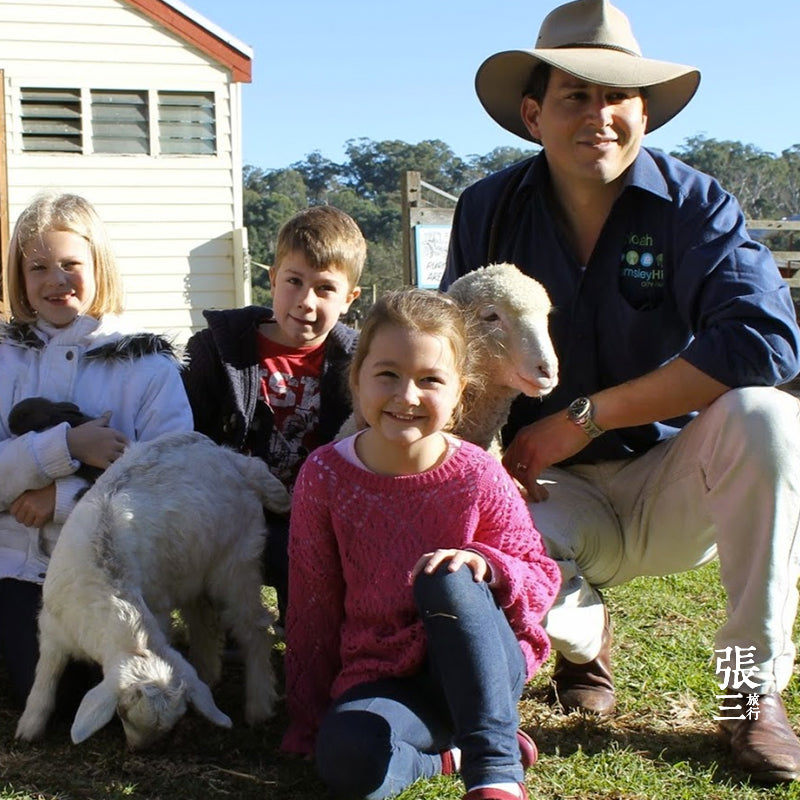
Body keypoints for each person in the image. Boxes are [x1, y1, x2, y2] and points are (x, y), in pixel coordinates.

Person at [442, 0, 800, 784]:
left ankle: (749, 697)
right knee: (465, 515)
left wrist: (584, 417)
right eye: (576, 95)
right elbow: (450, 351)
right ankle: (581, 636)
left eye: (618, 97)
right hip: (543, 486)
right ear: (534, 114)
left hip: (671, 481)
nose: (599, 116)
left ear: (645, 111)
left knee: (768, 418)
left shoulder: (697, 204)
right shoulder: (487, 210)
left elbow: (764, 341)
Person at [281, 288, 561, 800]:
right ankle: (446, 757)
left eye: (430, 380)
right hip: (386, 680)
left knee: (447, 576)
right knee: (346, 758)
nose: (406, 397)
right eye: (387, 374)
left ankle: (494, 769)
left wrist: (484, 564)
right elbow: (312, 603)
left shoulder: (477, 473)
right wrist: (309, 715)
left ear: (459, 394)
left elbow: (540, 573)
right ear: (357, 378)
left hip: (482, 665)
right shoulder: (325, 475)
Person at [0, 192, 193, 709]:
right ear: (19, 277)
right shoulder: (3, 360)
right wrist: (63, 446)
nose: (55, 280)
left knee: (70, 695)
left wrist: (60, 500)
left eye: (70, 264)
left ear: (99, 265)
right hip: (13, 565)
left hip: (107, 573)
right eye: (37, 266)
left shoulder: (149, 367)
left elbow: (168, 488)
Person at [181, 205, 365, 626]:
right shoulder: (219, 350)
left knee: (301, 562)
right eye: (294, 282)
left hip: (319, 512)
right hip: (228, 504)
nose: (305, 301)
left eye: (325, 289)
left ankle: (306, 634)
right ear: (272, 278)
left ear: (350, 298)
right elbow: (190, 433)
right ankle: (219, 626)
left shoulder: (361, 364)